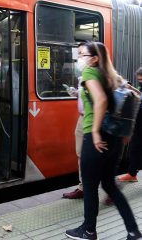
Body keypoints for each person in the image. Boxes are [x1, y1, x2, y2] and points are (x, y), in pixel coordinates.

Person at [65, 41, 142, 240]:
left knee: (90, 185)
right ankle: (133, 231)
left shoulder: (91, 73)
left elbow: (101, 100)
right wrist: (126, 132)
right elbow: (134, 97)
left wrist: (96, 132)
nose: (79, 58)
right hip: (114, 138)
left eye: (82, 55)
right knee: (109, 185)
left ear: (95, 58)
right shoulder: (112, 76)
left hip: (96, 136)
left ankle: (88, 230)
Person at [63, 44, 86, 199]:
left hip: (91, 118)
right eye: (78, 54)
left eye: (82, 54)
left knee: (92, 155)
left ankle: (111, 184)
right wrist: (77, 93)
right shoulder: (84, 74)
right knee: (81, 153)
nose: (79, 58)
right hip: (82, 117)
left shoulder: (97, 74)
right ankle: (83, 186)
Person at [118, 67, 142, 182]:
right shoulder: (140, 86)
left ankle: (132, 173)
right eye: (139, 80)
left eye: (141, 79)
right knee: (134, 148)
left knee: (136, 148)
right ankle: (132, 174)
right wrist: (131, 89)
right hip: (138, 124)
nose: (140, 81)